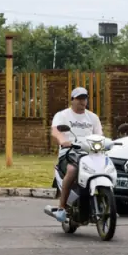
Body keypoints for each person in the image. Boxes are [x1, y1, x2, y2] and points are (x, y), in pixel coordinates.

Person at [46, 87, 103, 223]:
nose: (82, 102)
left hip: (89, 154)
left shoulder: (93, 117)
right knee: (72, 170)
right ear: (72, 100)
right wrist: (63, 140)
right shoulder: (63, 115)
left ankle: (107, 204)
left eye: (84, 98)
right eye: (79, 99)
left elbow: (99, 134)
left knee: (104, 169)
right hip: (69, 153)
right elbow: (55, 131)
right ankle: (62, 207)